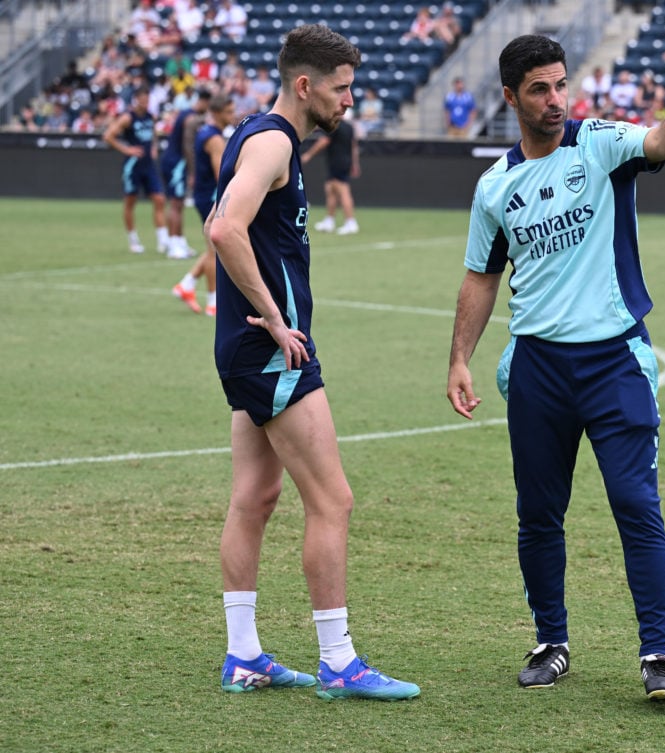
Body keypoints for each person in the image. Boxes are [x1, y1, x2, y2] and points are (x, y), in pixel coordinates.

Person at [445, 34, 665, 703]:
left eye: (561, 84)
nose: (555, 100)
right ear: (510, 97)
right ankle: (551, 640)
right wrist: (459, 357)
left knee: (636, 503)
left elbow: (658, 142)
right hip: (538, 365)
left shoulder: (598, 142)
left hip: (615, 361)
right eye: (539, 89)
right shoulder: (495, 186)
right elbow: (481, 277)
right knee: (538, 512)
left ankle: (657, 653)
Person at [205, 23, 418, 701]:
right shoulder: (272, 141)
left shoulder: (258, 133)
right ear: (305, 85)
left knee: (256, 496)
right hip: (271, 350)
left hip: (245, 350)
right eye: (342, 87)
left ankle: (243, 654)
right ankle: (340, 660)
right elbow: (222, 228)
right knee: (333, 499)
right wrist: (273, 315)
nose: (349, 100)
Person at [173, 93, 235, 316]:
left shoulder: (207, 132)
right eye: (229, 111)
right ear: (217, 112)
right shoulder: (215, 139)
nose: (232, 115)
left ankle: (187, 284)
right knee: (214, 251)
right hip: (210, 197)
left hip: (204, 194)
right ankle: (213, 302)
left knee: (215, 248)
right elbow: (222, 175)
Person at [103, 86, 169, 254]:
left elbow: (154, 134)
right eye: (143, 99)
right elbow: (108, 136)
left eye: (148, 100)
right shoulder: (128, 118)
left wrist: (153, 147)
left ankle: (163, 240)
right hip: (132, 166)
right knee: (130, 202)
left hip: (148, 165)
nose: (146, 103)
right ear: (137, 99)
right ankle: (133, 240)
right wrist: (127, 150)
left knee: (159, 199)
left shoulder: (150, 117)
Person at [160, 88, 211, 259]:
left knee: (178, 203)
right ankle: (173, 244)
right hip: (177, 164)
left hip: (174, 162)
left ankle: (180, 242)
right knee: (175, 203)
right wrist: (192, 172)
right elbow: (187, 147)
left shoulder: (187, 113)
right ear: (204, 102)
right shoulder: (190, 117)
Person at [303, 110, 361, 234]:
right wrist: (354, 164)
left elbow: (324, 141)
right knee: (330, 190)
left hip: (337, 162)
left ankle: (351, 222)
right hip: (344, 162)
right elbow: (353, 146)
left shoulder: (335, 126)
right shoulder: (350, 127)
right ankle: (329, 221)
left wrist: (308, 155)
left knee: (343, 191)